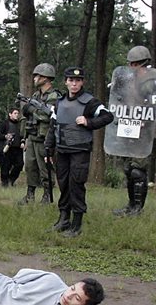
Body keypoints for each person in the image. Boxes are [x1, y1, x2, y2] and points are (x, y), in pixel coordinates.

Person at [47, 67, 113, 236]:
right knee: (63, 184)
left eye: (77, 80)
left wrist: (88, 121)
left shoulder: (90, 102)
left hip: (80, 150)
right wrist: (48, 148)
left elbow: (108, 116)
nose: (74, 84)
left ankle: (76, 225)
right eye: (71, 80)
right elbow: (53, 127)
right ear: (66, 82)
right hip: (62, 150)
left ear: (82, 82)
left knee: (76, 184)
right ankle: (64, 218)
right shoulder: (59, 103)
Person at [112, 46, 156, 217]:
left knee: (138, 169)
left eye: (138, 64)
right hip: (128, 126)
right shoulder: (126, 81)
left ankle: (137, 209)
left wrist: (144, 119)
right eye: (132, 64)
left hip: (144, 129)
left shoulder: (152, 83)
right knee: (128, 168)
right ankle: (130, 204)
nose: (134, 67)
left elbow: (153, 106)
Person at [19, 63, 60, 204]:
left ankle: (47, 195)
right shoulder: (36, 95)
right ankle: (29, 195)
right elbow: (29, 116)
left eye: (37, 76)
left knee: (45, 168)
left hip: (45, 138)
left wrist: (32, 110)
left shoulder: (54, 96)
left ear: (46, 78)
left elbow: (48, 116)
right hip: (32, 136)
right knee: (30, 166)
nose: (35, 78)